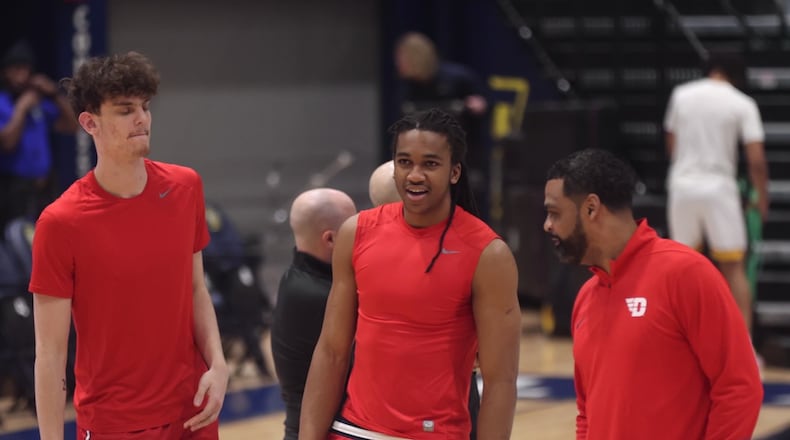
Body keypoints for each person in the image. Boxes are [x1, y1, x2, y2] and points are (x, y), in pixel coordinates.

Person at [29, 51, 228, 439]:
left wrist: (218, 365)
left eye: (145, 106)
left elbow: (195, 290)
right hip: (114, 424)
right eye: (124, 110)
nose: (142, 118)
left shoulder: (186, 187)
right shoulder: (60, 222)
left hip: (193, 413)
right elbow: (50, 355)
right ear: (90, 123)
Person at [299, 108, 520, 440]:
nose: (415, 175)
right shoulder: (356, 232)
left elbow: (500, 380)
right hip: (352, 430)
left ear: (454, 172)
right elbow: (332, 350)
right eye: (405, 162)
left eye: (430, 164)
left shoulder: (489, 254)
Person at [543, 148, 763, 439]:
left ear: (591, 208)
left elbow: (739, 388)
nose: (547, 225)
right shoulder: (586, 297)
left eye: (555, 213)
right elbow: (587, 412)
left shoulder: (686, 273)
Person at [663, 51, 769, 334]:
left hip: (682, 186)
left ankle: (680, 338)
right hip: (719, 188)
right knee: (733, 267)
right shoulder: (742, 102)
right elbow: (756, 160)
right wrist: (762, 200)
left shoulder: (681, 95)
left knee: (679, 268)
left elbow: (671, 142)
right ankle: (743, 344)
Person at [271, 188, 357, 440]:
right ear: (330, 239)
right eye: (353, 229)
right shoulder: (315, 294)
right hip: (316, 433)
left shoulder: (303, 278)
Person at [394, 32, 490, 219]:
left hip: (464, 154)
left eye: (401, 58)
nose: (398, 64)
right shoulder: (409, 87)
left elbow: (482, 105)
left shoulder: (458, 78)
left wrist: (477, 106)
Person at [0, 40, 77, 227]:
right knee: (16, 243)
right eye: (16, 70)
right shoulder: (3, 102)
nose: (21, 76)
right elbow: (8, 142)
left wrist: (54, 95)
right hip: (14, 187)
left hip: (45, 185)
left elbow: (71, 125)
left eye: (25, 70)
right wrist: (22, 108)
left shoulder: (39, 101)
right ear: (5, 72)